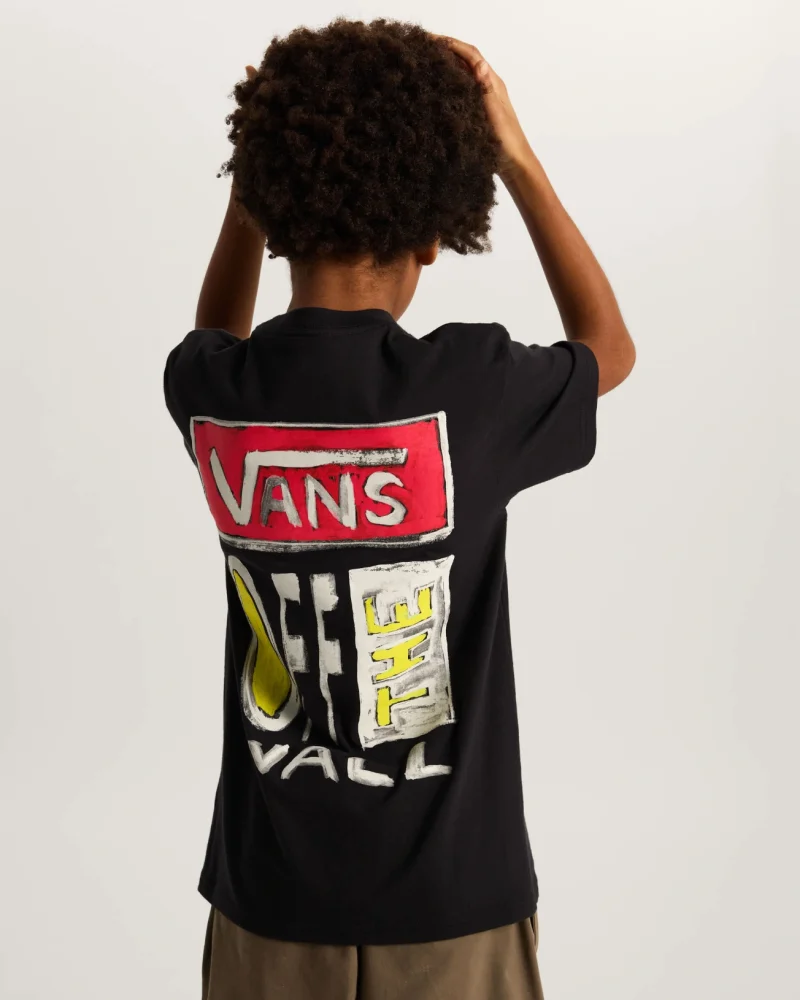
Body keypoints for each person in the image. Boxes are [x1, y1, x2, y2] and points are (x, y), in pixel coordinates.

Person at [163, 16, 635, 1000]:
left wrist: (255, 186)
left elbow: (214, 333)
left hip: (270, 902)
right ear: (433, 230)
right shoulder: (472, 387)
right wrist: (516, 156)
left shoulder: (215, 393)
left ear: (274, 216)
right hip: (453, 906)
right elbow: (608, 348)